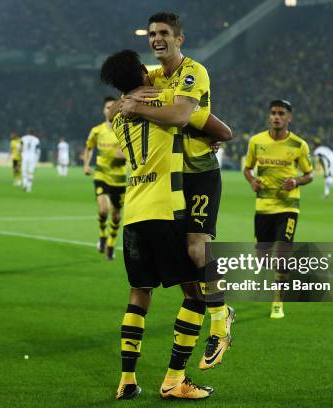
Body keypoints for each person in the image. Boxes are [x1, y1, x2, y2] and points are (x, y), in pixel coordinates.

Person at [118, 11, 235, 371]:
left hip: (198, 171)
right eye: (152, 33)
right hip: (171, 180)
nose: (156, 39)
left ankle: (221, 320)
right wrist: (128, 102)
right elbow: (125, 96)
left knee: (196, 247)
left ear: (179, 38)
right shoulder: (152, 75)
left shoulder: (193, 71)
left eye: (164, 33)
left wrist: (136, 105)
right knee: (185, 262)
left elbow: (182, 115)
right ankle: (179, 366)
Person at [101, 49, 213, 400]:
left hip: (134, 212)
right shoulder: (160, 103)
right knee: (195, 294)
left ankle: (127, 380)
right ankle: (174, 379)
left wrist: (131, 94)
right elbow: (185, 117)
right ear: (140, 72)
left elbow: (131, 98)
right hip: (165, 208)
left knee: (139, 294)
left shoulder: (118, 116)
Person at [243, 100, 313, 319]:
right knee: (263, 257)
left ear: (289, 118)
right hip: (263, 207)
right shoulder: (256, 142)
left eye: (281, 113)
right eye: (273, 113)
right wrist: (252, 181)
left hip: (288, 206)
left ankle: (278, 302)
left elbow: (309, 174)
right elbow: (247, 169)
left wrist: (296, 182)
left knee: (282, 254)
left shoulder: (299, 145)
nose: (276, 117)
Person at [83, 97, 127, 260]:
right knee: (103, 210)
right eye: (107, 107)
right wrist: (86, 165)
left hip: (119, 178)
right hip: (101, 174)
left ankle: (110, 244)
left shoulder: (124, 130)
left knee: (116, 216)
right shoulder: (97, 130)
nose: (110, 109)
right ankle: (102, 235)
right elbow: (88, 148)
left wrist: (125, 155)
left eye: (112, 107)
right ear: (103, 110)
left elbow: (134, 151)